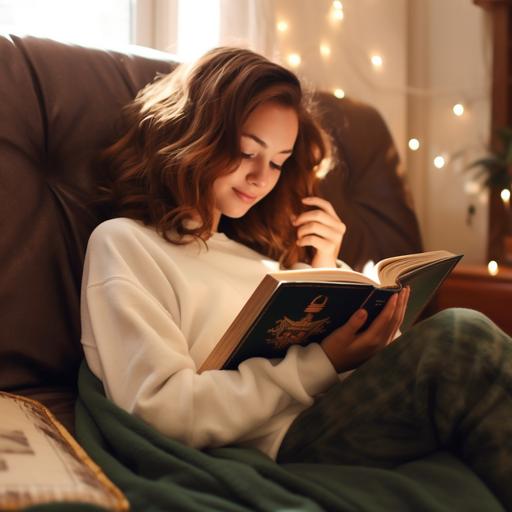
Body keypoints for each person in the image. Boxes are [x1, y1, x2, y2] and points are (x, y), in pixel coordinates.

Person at [80, 47, 512, 508]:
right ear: (196, 134)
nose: (260, 178)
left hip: (338, 408)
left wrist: (328, 272)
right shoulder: (125, 244)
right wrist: (320, 362)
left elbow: (339, 364)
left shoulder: (257, 256)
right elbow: (161, 408)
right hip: (283, 440)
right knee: (460, 337)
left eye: (278, 161)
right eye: (247, 151)